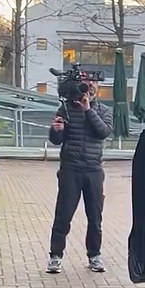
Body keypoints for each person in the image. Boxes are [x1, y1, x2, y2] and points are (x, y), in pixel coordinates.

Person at [45, 73, 113, 274]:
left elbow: (103, 132)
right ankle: (55, 256)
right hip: (70, 168)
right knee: (63, 214)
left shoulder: (104, 110)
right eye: (85, 84)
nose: (89, 87)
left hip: (93, 169)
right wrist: (55, 130)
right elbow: (57, 140)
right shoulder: (65, 108)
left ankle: (94, 255)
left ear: (97, 88)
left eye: (93, 84)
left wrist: (88, 110)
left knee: (95, 216)